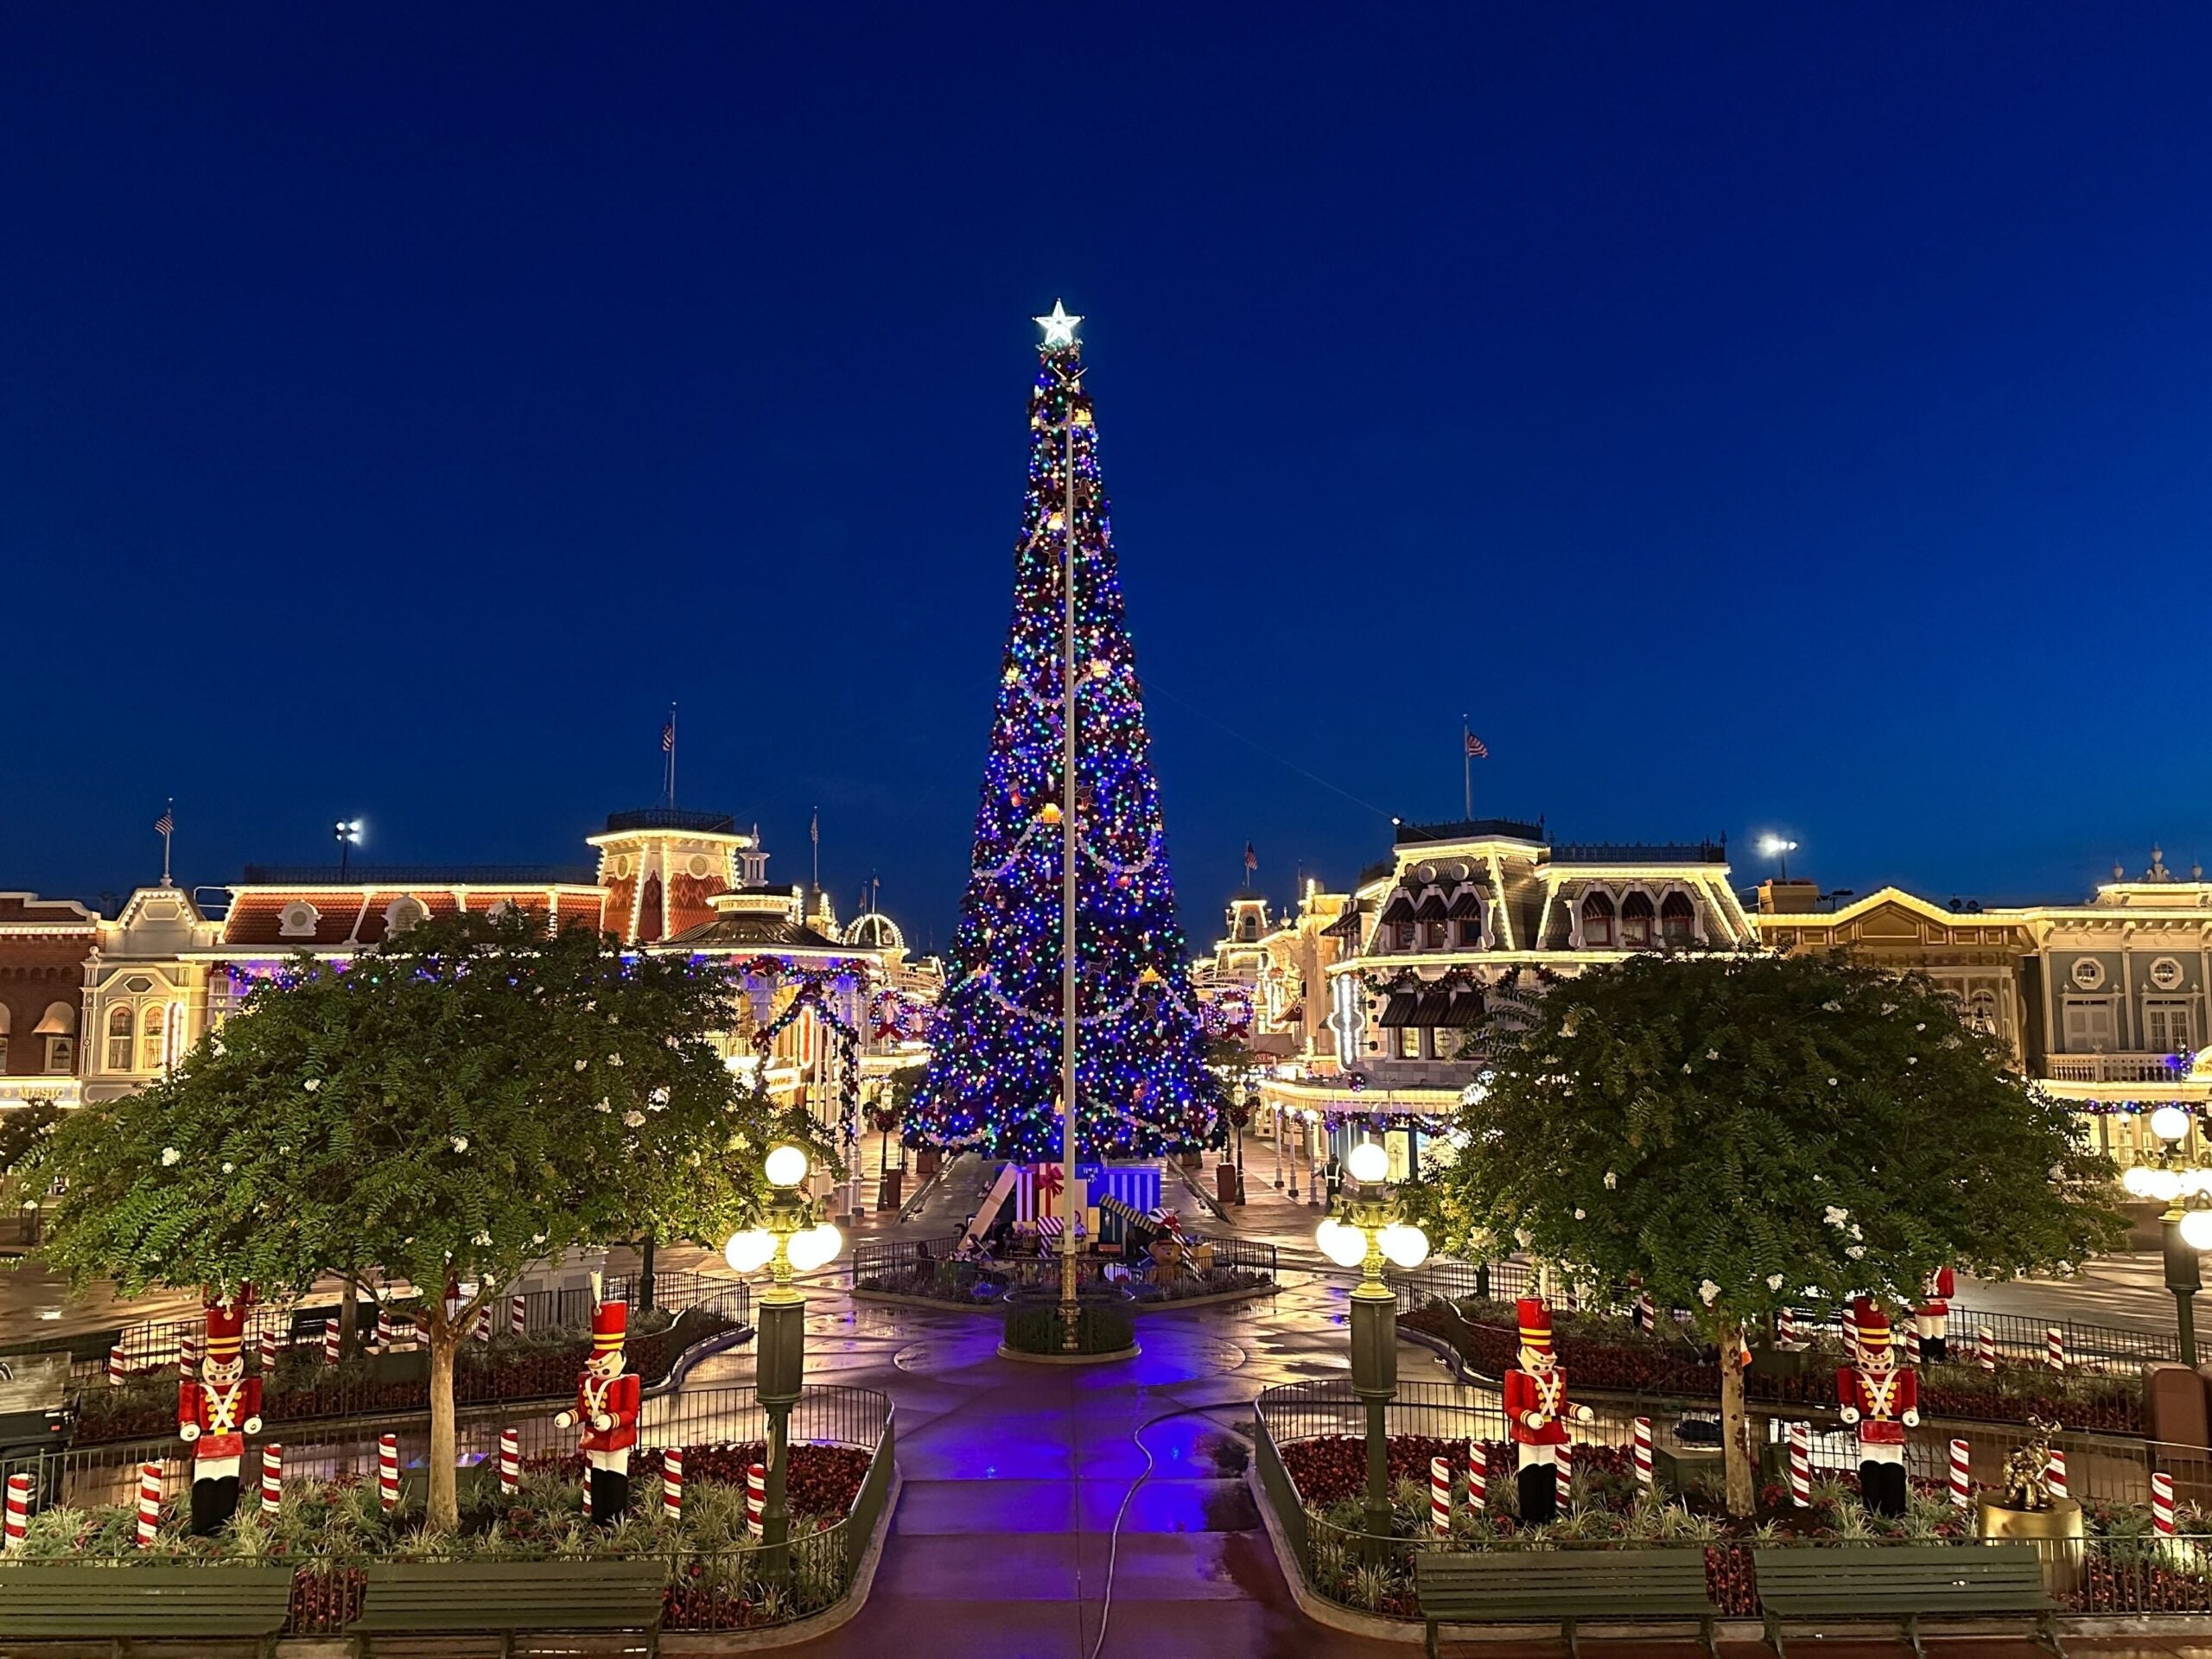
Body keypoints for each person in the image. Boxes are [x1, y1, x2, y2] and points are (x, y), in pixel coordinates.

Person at [179, 1296, 264, 1535]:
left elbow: (251, 1406)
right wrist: (189, 1424)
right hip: (207, 1440)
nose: (224, 1373)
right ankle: (203, 1525)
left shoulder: (244, 1387)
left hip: (232, 1441)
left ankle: (224, 1523)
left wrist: (252, 1418)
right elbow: (188, 1407)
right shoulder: (201, 1389)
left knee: (228, 1480)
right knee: (205, 1481)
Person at [1502, 1298, 1590, 1522]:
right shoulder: (1518, 1377)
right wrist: (1527, 1417)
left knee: (1549, 1469)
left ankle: (1547, 1514)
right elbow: (1511, 1407)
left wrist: (1577, 1411)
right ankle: (1530, 1516)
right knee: (1530, 1468)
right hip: (1529, 1432)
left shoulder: (1557, 1376)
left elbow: (1560, 1406)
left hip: (1551, 1431)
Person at [555, 1299, 640, 1524]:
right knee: (598, 1473)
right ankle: (599, 1516)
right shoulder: (586, 1382)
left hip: (618, 1437)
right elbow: (583, 1410)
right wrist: (569, 1417)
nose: (596, 1372)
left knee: (616, 1473)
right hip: (595, 1438)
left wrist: (611, 1420)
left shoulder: (627, 1383)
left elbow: (631, 1413)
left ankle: (616, 1517)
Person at [1837, 1299, 1919, 1517]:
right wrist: (1848, 1408)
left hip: (1892, 1426)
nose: (1876, 1360)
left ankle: (1895, 1508)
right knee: (1871, 1464)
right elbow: (1847, 1396)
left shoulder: (1901, 1376)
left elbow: (1910, 1398)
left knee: (1893, 1465)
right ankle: (1872, 1507)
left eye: (1881, 1355)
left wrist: (1910, 1411)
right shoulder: (1854, 1375)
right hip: (1868, 1425)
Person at [1915, 1267, 1955, 1363]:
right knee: (1939, 1333)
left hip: (1923, 1305)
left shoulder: (1919, 1264)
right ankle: (1939, 1360)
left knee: (1925, 1333)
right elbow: (1949, 1292)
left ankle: (1926, 1360)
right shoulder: (1945, 1268)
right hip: (1939, 1305)